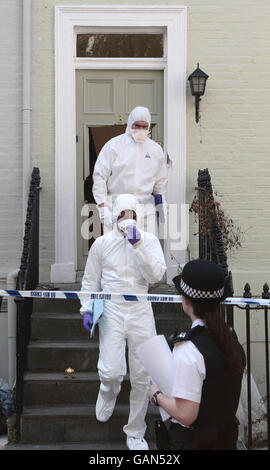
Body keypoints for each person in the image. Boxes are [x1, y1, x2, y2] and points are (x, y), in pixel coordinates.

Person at [80, 193, 167, 451]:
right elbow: (90, 280)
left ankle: (135, 431)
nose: (126, 218)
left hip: (140, 309)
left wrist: (138, 244)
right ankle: (108, 391)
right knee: (112, 370)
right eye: (122, 214)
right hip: (112, 310)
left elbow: (156, 275)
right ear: (115, 215)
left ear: (137, 216)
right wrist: (87, 308)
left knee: (142, 375)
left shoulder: (148, 241)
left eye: (131, 214)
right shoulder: (102, 244)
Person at [148, 259, 246, 450]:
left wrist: (156, 395)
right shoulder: (233, 343)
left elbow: (186, 414)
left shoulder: (189, 350)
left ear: (185, 300)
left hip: (193, 443)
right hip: (225, 442)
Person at [92, 106, 167, 234]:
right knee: (116, 251)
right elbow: (100, 177)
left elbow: (160, 183)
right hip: (117, 209)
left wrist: (161, 206)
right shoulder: (114, 145)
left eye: (144, 126)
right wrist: (103, 207)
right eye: (137, 125)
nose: (141, 129)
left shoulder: (155, 150)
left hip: (145, 211)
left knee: (144, 251)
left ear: (149, 126)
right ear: (129, 123)